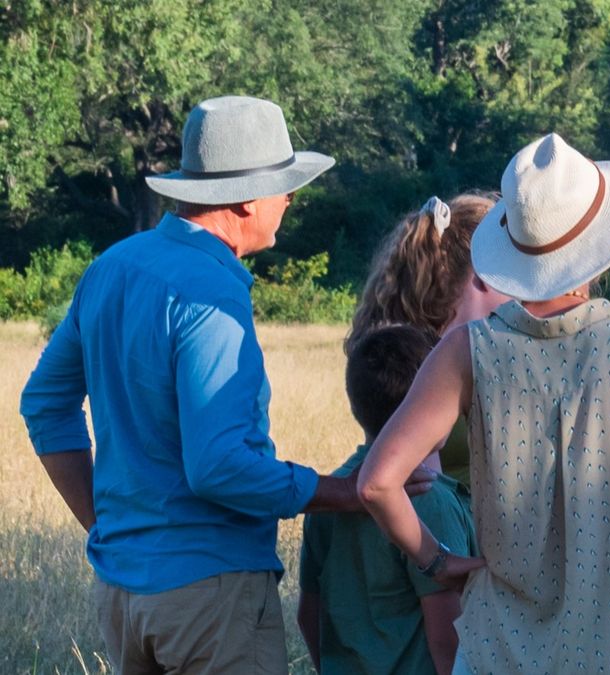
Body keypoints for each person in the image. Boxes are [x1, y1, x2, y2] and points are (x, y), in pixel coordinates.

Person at [19, 95, 430, 674]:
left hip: (123, 595)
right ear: (243, 199)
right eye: (283, 185)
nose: (290, 198)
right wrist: (348, 492)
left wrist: (112, 528)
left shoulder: (112, 266)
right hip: (211, 598)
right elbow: (219, 466)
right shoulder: (211, 289)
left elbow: (44, 405)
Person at [357, 133, 610, 675]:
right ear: (602, 241)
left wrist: (437, 561)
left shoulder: (466, 351)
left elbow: (376, 483)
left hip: (497, 655)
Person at [298, 324, 478, 675]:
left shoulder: (330, 497)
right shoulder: (431, 500)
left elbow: (308, 614)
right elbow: (448, 640)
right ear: (431, 403)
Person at [346, 192, 510, 483]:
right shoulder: (415, 364)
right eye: (514, 275)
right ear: (483, 277)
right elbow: (423, 493)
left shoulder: (408, 350)